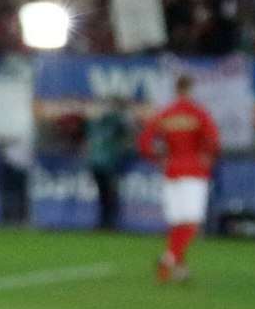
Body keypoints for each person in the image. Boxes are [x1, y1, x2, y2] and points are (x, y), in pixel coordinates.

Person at [138, 75, 219, 283]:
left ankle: (180, 269)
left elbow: (144, 142)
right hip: (194, 171)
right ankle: (169, 258)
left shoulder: (167, 113)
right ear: (191, 90)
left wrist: (159, 159)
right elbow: (214, 140)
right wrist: (208, 158)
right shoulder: (198, 113)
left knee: (177, 223)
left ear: (176, 90)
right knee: (191, 222)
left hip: (172, 170)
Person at [85, 96, 134, 231]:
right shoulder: (110, 121)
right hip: (106, 163)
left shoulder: (100, 122)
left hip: (101, 163)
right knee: (107, 194)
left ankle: (107, 221)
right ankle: (107, 221)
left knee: (106, 194)